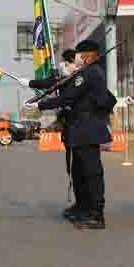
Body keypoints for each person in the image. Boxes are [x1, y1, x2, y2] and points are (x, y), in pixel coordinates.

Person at [29, 40, 113, 230]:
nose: (76, 58)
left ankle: (96, 213)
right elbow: (61, 88)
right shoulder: (86, 72)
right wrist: (33, 85)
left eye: (78, 55)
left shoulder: (90, 73)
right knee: (79, 171)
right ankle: (83, 206)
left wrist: (40, 105)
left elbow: (68, 97)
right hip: (78, 128)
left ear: (86, 55)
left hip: (88, 128)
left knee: (91, 172)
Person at [20, 49, 80, 220]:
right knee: (72, 167)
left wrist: (39, 105)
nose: (65, 66)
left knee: (83, 168)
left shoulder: (80, 78)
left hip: (81, 126)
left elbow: (64, 99)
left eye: (68, 63)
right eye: (66, 63)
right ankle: (79, 203)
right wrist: (29, 83)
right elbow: (48, 83)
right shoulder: (64, 76)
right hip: (69, 126)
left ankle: (87, 206)